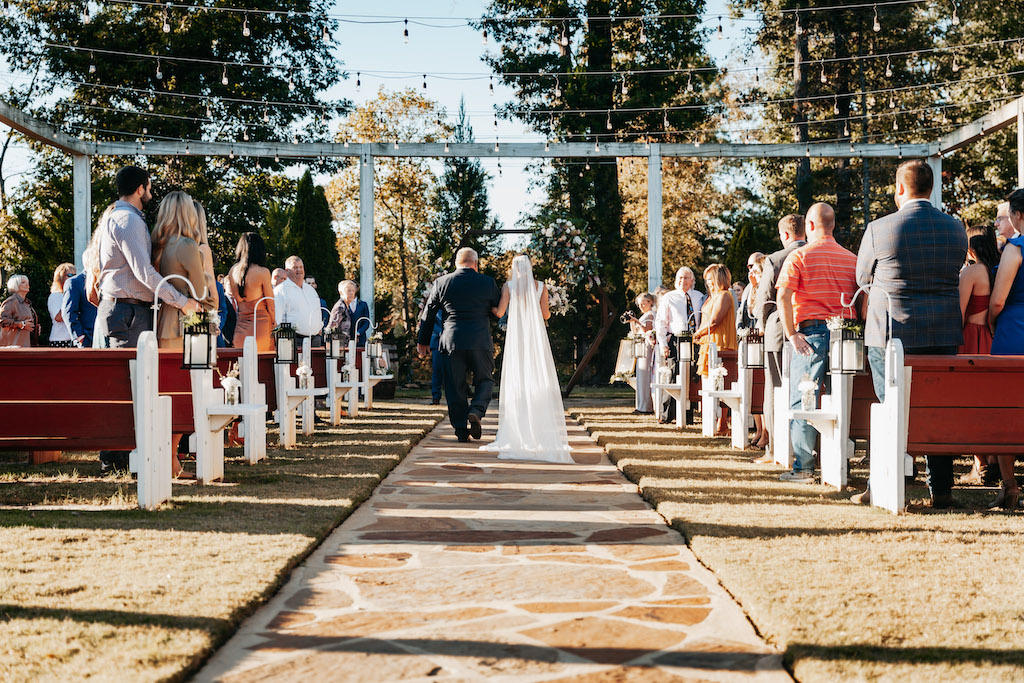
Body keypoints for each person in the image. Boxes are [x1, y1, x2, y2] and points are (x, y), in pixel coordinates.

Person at [852, 160, 967, 508]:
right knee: (937, 409)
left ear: (901, 188)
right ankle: (942, 491)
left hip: (891, 332)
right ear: (930, 188)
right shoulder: (955, 229)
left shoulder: (879, 228)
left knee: (890, 409)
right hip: (942, 331)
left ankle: (880, 484)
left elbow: (861, 279)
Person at [777, 202, 858, 484]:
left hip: (810, 333)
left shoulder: (799, 256)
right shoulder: (852, 258)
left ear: (809, 226)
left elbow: (783, 298)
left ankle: (804, 468)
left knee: (804, 397)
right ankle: (839, 462)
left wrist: (791, 334)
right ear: (833, 225)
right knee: (842, 398)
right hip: (847, 336)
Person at [93, 166, 201, 352]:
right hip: (128, 312)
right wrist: (183, 302)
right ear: (140, 189)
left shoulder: (116, 217)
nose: (150, 194)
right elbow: (144, 272)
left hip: (124, 309)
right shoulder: (128, 220)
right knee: (132, 373)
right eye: (149, 189)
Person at [482, 254, 572, 462]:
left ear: (514, 268)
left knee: (517, 376)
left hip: (517, 336)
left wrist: (489, 307)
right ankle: (539, 428)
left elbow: (500, 312)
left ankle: (518, 429)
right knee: (537, 374)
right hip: (535, 336)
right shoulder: (540, 286)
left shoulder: (509, 286)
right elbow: (546, 315)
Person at [416, 247, 501, 443]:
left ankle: (461, 430)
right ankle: (477, 411)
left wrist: (423, 341)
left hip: (451, 340)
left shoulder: (442, 282)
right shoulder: (487, 282)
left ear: (456, 263)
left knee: (455, 387)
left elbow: (428, 316)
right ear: (476, 264)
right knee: (485, 380)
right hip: (479, 340)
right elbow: (498, 310)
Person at [752, 215, 806, 462]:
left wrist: (764, 325)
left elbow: (763, 301)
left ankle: (774, 448)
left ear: (785, 235)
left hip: (778, 331)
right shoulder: (815, 252)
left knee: (775, 388)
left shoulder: (775, 259)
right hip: (810, 327)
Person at [987, 188, 1024, 510]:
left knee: (1005, 408)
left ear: (1018, 215)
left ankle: (1010, 485)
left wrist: (989, 318)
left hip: (1015, 331)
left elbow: (998, 299)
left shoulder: (1015, 248)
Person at [956, 223, 1000, 488]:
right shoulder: (998, 270)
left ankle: (980, 464)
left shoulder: (972, 272)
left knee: (971, 402)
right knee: (991, 402)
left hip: (971, 337)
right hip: (992, 337)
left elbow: (959, 313)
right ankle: (993, 461)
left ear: (970, 246)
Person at [152, 191, 217, 350]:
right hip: (188, 321)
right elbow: (200, 292)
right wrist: (211, 316)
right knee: (193, 373)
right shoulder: (187, 245)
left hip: (163, 321)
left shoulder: (158, 244)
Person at [654, 267, 705, 423]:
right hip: (676, 340)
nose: (682, 281)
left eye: (685, 278)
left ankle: (687, 415)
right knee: (673, 375)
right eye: (679, 278)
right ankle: (667, 415)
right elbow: (661, 322)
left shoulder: (699, 296)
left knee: (691, 377)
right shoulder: (669, 297)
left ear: (692, 280)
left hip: (694, 340)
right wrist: (663, 344)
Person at [693, 264, 738, 436]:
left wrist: (698, 332)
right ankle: (710, 420)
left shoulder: (725, 295)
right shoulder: (712, 297)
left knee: (722, 382)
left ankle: (723, 423)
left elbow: (714, 321)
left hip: (721, 342)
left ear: (719, 279)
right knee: (708, 381)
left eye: (710, 280)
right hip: (708, 342)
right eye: (707, 281)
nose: (708, 284)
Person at [228, 232, 275, 352]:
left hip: (240, 327)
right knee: (261, 366)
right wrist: (275, 325)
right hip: (261, 328)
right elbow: (271, 305)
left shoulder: (233, 270)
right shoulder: (263, 272)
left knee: (241, 365)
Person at [741, 254, 768, 448]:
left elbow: (760, 312)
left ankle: (766, 432)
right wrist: (753, 287)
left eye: (755, 269)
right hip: (754, 343)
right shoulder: (752, 288)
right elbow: (749, 312)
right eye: (749, 268)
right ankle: (760, 430)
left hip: (766, 341)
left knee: (764, 388)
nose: (751, 272)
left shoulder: (767, 289)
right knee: (757, 388)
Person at [62, 226, 100, 348]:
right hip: (87, 338)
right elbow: (68, 312)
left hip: (104, 335)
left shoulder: (105, 280)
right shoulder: (74, 282)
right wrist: (79, 337)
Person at [274, 256, 323, 344]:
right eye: (295, 268)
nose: (299, 270)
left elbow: (317, 311)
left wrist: (319, 328)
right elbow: (277, 319)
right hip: (294, 340)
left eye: (301, 267)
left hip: (315, 340)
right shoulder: (281, 290)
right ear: (287, 270)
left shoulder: (310, 290)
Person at [627, 292, 656, 414]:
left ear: (650, 303)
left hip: (647, 346)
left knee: (645, 376)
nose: (641, 306)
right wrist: (632, 321)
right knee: (640, 376)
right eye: (639, 304)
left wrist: (637, 322)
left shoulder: (650, 315)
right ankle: (641, 405)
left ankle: (646, 406)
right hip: (640, 347)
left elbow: (648, 332)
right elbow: (635, 332)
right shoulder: (644, 315)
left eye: (644, 304)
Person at [0, 274, 37, 347]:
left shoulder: (27, 303)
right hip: (14, 348)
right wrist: (20, 324)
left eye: (27, 282)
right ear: (15, 285)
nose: (27, 284)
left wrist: (35, 327)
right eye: (23, 282)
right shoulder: (11, 302)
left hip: (27, 346)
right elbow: (2, 320)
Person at [48, 263, 76, 348]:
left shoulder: (75, 295)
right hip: (60, 339)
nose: (73, 278)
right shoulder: (55, 296)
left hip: (74, 338)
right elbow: (58, 318)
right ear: (60, 278)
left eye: (75, 275)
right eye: (70, 275)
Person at [429, 309, 444, 405]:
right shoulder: (435, 306)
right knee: (437, 370)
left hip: (454, 340)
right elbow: (430, 321)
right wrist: (442, 332)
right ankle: (436, 397)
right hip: (437, 342)